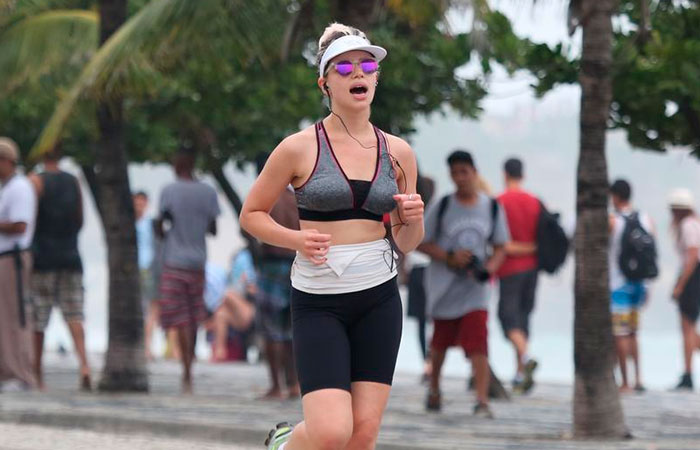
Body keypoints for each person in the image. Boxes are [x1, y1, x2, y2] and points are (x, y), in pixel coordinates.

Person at [239, 23, 424, 450]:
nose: (357, 73)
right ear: (324, 83)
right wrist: (296, 240)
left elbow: (408, 241)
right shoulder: (298, 148)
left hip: (378, 296)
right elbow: (252, 214)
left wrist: (412, 217)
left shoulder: (399, 152)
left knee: (362, 436)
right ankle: (285, 443)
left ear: (376, 77)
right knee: (329, 433)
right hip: (319, 299)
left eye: (366, 65)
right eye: (344, 67)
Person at [418, 150, 508, 418]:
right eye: (455, 173)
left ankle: (482, 400)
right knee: (440, 344)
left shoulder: (491, 207)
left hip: (475, 291)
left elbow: (501, 246)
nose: (460, 178)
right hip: (444, 290)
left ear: (474, 172)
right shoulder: (442, 206)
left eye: (464, 172)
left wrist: (489, 269)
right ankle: (434, 390)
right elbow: (420, 241)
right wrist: (449, 257)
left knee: (478, 343)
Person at [156, 151, 220, 393]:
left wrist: (168, 226)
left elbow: (159, 226)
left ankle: (186, 370)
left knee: (180, 318)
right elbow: (213, 229)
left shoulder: (169, 191)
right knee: (194, 317)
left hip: (174, 261)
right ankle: (189, 366)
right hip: (198, 261)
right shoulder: (208, 192)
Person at [29, 145, 91, 391]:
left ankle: (38, 374)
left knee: (39, 320)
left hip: (43, 258)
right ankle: (85, 365)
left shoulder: (35, 182)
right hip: (70, 255)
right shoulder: (73, 181)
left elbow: (31, 218)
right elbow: (80, 219)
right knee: (74, 315)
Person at [496, 158, 541, 394]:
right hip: (532, 269)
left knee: (507, 319)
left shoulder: (500, 202)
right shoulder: (534, 202)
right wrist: (531, 249)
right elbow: (538, 240)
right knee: (522, 319)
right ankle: (520, 373)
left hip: (509, 269)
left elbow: (501, 243)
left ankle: (527, 357)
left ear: (505, 174)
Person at [608, 179, 653, 393]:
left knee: (620, 333)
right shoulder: (645, 218)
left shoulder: (613, 221)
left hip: (618, 284)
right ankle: (639, 379)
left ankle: (624, 381)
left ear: (614, 196)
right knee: (634, 332)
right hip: (640, 284)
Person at [0, 138, 38, 391]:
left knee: (15, 316)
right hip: (4, 257)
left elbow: (20, 225)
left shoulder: (20, 188)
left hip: (13, 257)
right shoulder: (5, 188)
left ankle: (20, 373)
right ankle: (6, 371)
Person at [257, 186, 301, 400]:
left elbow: (250, 230)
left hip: (272, 265)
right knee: (292, 328)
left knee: (271, 329)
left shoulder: (266, 198)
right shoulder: (296, 199)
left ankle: (276, 386)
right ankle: (294, 384)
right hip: (296, 263)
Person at [667, 188, 700, 390]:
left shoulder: (688, 225)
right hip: (692, 276)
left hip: (692, 277)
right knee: (688, 327)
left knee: (687, 327)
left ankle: (688, 374)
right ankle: (687, 373)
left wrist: (680, 285)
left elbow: (692, 257)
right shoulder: (693, 223)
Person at [405, 171, 435, 382]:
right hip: (430, 270)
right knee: (433, 320)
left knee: (422, 322)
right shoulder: (433, 212)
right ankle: (430, 362)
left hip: (418, 270)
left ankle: (428, 362)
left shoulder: (413, 211)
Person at [203, 260, 255, 361]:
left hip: (252, 313)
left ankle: (219, 351)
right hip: (241, 313)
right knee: (221, 314)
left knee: (228, 296)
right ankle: (220, 351)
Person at [134, 191, 160, 361]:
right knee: (142, 308)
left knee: (152, 307)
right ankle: (143, 346)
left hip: (148, 268)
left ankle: (147, 345)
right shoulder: (130, 223)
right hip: (135, 268)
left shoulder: (150, 223)